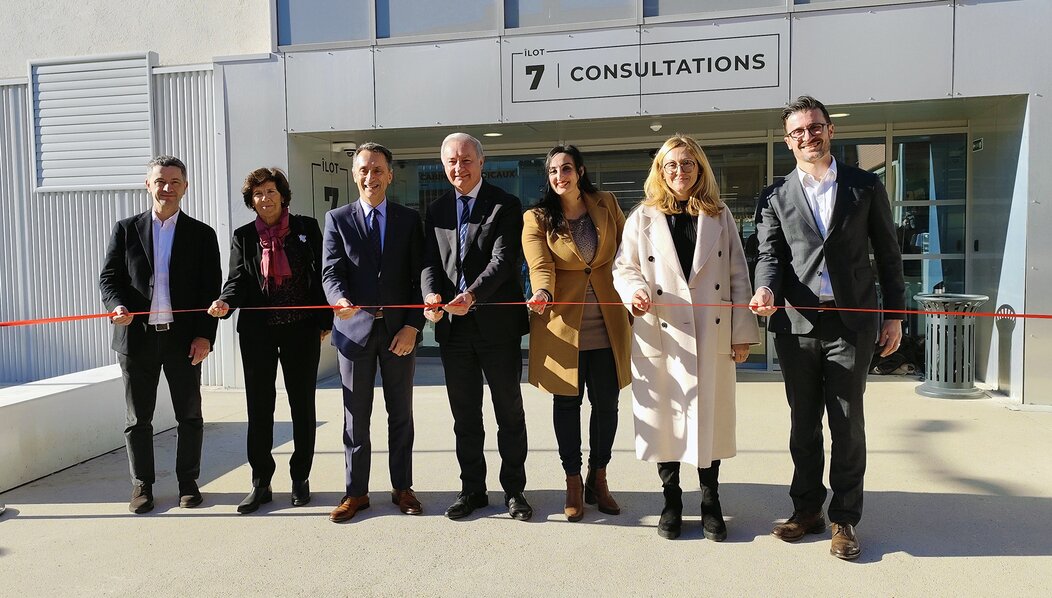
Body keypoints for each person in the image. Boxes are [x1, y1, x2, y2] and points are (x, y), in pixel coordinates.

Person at [749, 95, 905, 561]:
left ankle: (846, 519)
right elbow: (770, 255)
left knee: (847, 422)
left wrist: (894, 315)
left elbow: (888, 254)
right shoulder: (775, 195)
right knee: (803, 423)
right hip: (796, 324)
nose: (807, 136)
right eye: (797, 131)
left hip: (851, 322)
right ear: (788, 140)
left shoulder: (864, 187)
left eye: (814, 127)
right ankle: (807, 510)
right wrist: (764, 291)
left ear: (830, 130)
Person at [614, 135, 759, 541]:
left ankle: (710, 500)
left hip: (710, 334)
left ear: (700, 169)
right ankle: (671, 500)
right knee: (666, 423)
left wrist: (742, 333)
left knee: (708, 420)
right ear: (660, 171)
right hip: (663, 334)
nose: (680, 171)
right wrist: (634, 292)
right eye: (671, 165)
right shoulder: (642, 217)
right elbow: (623, 268)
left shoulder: (719, 214)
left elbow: (737, 275)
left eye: (688, 164)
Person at [99, 155, 221, 514]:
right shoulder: (125, 229)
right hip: (136, 339)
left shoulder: (201, 234)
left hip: (183, 340)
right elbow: (110, 278)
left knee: (190, 415)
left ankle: (188, 483)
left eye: (174, 182)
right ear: (148, 184)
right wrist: (116, 305)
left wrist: (205, 336)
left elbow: (209, 288)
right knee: (138, 419)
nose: (167, 188)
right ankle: (142, 486)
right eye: (160, 181)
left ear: (185, 187)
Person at [421, 133, 532, 521]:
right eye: (451, 161)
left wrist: (473, 295)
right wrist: (432, 296)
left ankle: (514, 490)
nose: (458, 167)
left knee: (509, 413)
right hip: (454, 331)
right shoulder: (434, 211)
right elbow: (430, 265)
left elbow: (504, 262)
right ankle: (472, 490)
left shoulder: (506, 204)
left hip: (497, 327)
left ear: (481, 162)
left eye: (466, 160)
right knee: (465, 416)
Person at [206, 168, 331, 514]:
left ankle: (300, 478)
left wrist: (326, 319)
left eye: (271, 191)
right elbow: (236, 281)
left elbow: (321, 276)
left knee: (301, 405)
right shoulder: (244, 236)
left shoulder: (306, 229)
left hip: (301, 329)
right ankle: (261, 481)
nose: (265, 198)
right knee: (259, 407)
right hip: (258, 332)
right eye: (258, 193)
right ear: (251, 201)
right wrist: (225, 303)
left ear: (283, 194)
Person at [522, 145, 631, 522]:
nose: (559, 176)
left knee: (607, 405)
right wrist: (542, 292)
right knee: (566, 405)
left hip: (607, 320)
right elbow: (540, 264)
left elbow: (625, 254)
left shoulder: (606, 203)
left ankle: (598, 477)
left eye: (566, 168)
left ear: (580, 171)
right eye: (553, 171)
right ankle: (572, 481)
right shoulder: (537, 217)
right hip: (562, 325)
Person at [322, 143, 425, 523]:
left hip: (400, 332)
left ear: (390, 175)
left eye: (378, 170)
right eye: (364, 169)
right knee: (355, 417)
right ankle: (356, 492)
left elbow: (421, 277)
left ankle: (402, 487)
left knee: (401, 414)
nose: (371, 176)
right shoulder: (337, 219)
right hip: (354, 331)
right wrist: (338, 299)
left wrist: (414, 325)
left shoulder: (409, 219)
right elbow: (330, 272)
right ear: (354, 174)